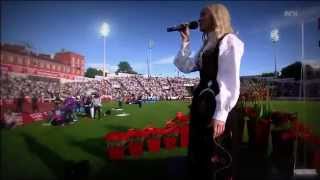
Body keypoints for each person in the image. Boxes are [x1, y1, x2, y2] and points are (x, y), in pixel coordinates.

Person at [173, 4, 244, 180]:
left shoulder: (230, 41)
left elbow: (229, 78)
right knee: (200, 151)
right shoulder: (206, 46)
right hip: (202, 105)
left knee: (217, 153)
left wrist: (221, 113)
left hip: (216, 106)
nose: (199, 19)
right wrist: (185, 42)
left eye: (203, 14)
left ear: (216, 17)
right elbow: (185, 66)